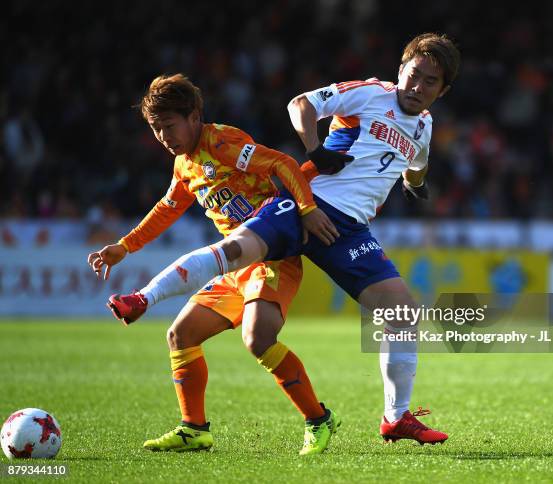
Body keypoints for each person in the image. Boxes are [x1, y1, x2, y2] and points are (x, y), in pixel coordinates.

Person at [104, 33, 460, 445]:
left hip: (347, 230)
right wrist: (315, 147)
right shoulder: (369, 93)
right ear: (401, 69)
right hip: (308, 202)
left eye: (430, 82)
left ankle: (395, 418)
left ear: (442, 90)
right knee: (235, 252)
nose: (417, 88)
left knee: (402, 314)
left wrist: (414, 184)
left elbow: (416, 164)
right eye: (413, 75)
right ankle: (143, 298)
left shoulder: (425, 127)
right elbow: (301, 104)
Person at [87, 74, 342, 455]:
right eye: (156, 129)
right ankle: (194, 429)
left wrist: (306, 210)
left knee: (258, 339)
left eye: (168, 126)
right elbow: (168, 208)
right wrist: (125, 246)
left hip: (271, 254)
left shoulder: (222, 142)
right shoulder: (184, 164)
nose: (163, 137)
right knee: (180, 335)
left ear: (193, 116)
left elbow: (283, 163)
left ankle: (319, 420)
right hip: (233, 264)